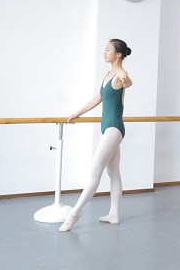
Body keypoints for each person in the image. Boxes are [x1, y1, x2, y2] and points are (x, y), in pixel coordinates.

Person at [59, 39, 133, 232]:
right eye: (105, 49)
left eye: (108, 49)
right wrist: (77, 113)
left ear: (118, 54)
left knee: (95, 170)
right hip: (107, 128)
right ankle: (114, 214)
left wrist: (126, 81)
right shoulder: (108, 75)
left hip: (114, 128)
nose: (105, 52)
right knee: (113, 173)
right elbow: (98, 98)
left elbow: (127, 80)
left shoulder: (120, 74)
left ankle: (74, 214)